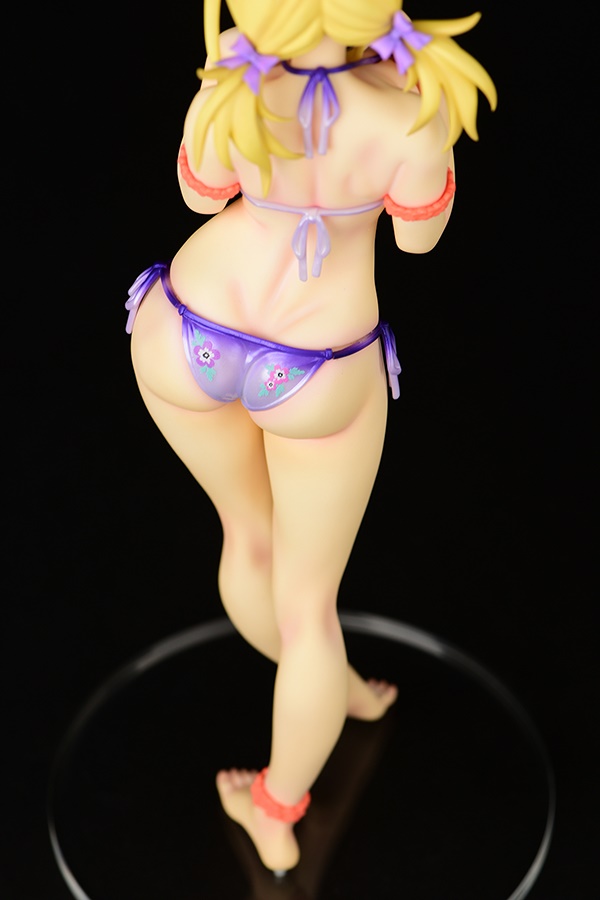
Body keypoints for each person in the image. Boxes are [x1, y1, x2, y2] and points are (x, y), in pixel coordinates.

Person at [125, 0, 496, 876]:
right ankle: (277, 804)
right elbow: (419, 239)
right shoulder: (412, 103)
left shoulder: (234, 70)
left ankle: (333, 688)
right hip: (317, 366)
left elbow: (197, 192)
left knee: (249, 539)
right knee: (308, 607)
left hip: (188, 328)